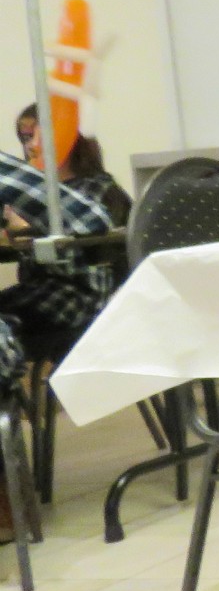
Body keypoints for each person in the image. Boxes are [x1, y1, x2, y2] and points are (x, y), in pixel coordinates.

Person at [0, 109, 122, 544]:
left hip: (82, 294)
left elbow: (94, 246)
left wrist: (29, 228)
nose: (29, 145)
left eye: (36, 135)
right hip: (42, 290)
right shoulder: (27, 188)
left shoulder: (95, 190)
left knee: (9, 319)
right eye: (23, 137)